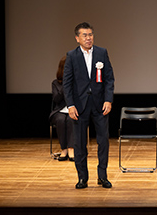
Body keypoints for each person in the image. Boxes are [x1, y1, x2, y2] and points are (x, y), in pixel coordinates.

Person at [63, 22, 115, 189]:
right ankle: (82, 178)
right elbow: (67, 83)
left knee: (103, 142)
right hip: (79, 105)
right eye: (84, 35)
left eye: (90, 34)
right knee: (79, 143)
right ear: (77, 38)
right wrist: (70, 105)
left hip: (100, 104)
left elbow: (109, 79)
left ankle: (102, 176)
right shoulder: (71, 56)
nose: (88, 38)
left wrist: (108, 100)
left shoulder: (102, 52)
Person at [49, 55, 74, 161]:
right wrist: (66, 84)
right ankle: (64, 149)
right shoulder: (55, 83)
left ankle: (71, 149)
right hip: (59, 110)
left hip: (74, 110)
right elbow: (56, 99)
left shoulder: (77, 82)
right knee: (60, 119)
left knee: (70, 119)